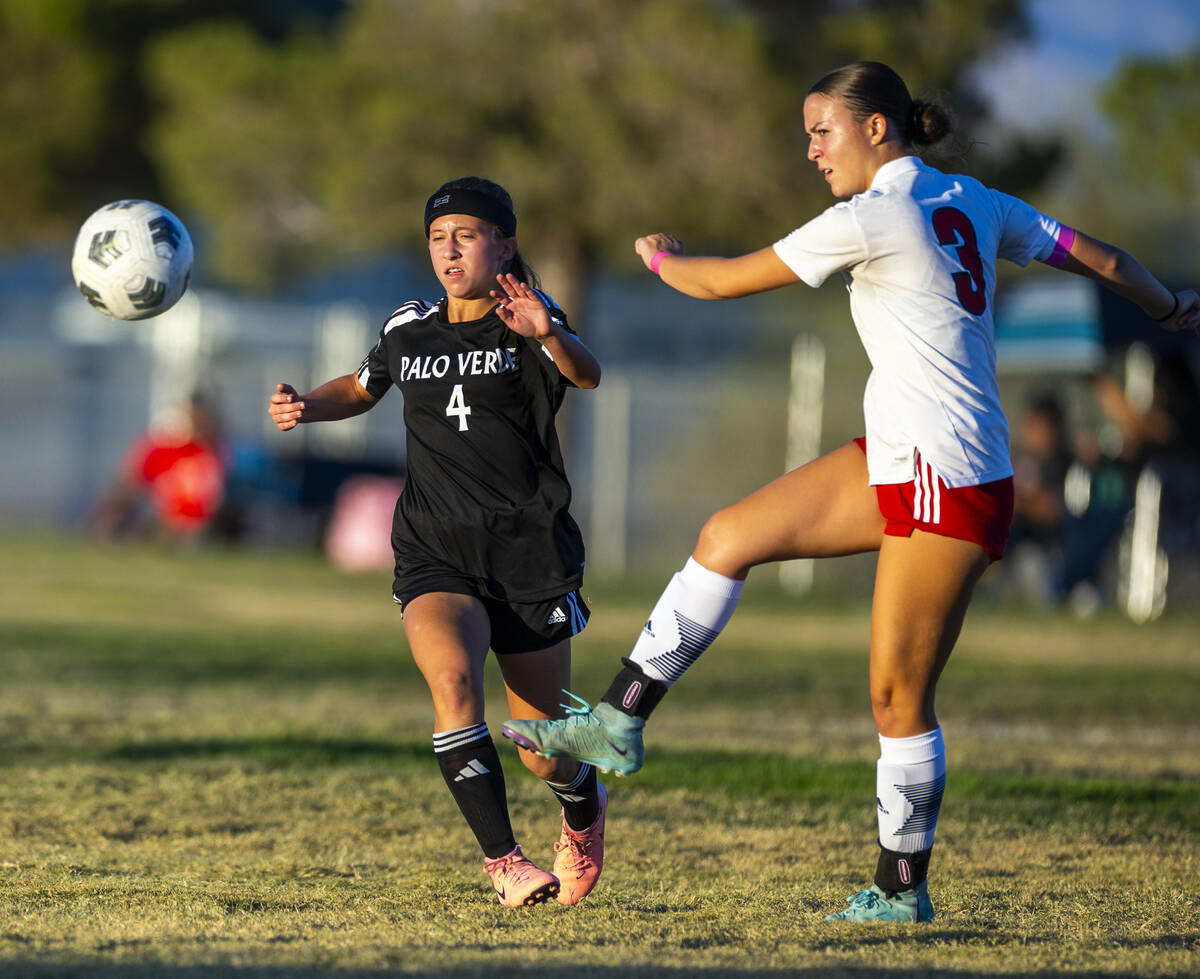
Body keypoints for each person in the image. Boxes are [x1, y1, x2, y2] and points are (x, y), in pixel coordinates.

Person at [502, 62, 1200, 922]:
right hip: (900, 459)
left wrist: (663, 258)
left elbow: (721, 282)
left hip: (950, 477)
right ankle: (619, 720)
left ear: (878, 128)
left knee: (896, 695)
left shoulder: (873, 215)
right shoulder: (973, 198)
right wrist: (1170, 307)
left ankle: (901, 889)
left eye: (822, 130)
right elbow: (1100, 255)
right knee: (727, 536)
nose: (811, 150)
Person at [268, 177, 606, 908]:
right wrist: (306, 406)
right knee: (453, 687)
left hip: (527, 554)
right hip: (433, 550)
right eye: (437, 237)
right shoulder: (407, 328)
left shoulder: (531, 320)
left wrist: (548, 332)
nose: (449, 250)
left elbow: (588, 373)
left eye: (468, 234)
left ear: (505, 244)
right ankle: (506, 863)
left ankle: (583, 805)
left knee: (541, 748)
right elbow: (362, 386)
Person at [89, 392, 227, 541]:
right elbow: (130, 484)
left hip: (202, 525)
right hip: (164, 519)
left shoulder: (218, 451)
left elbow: (214, 499)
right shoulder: (162, 449)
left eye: (201, 419)